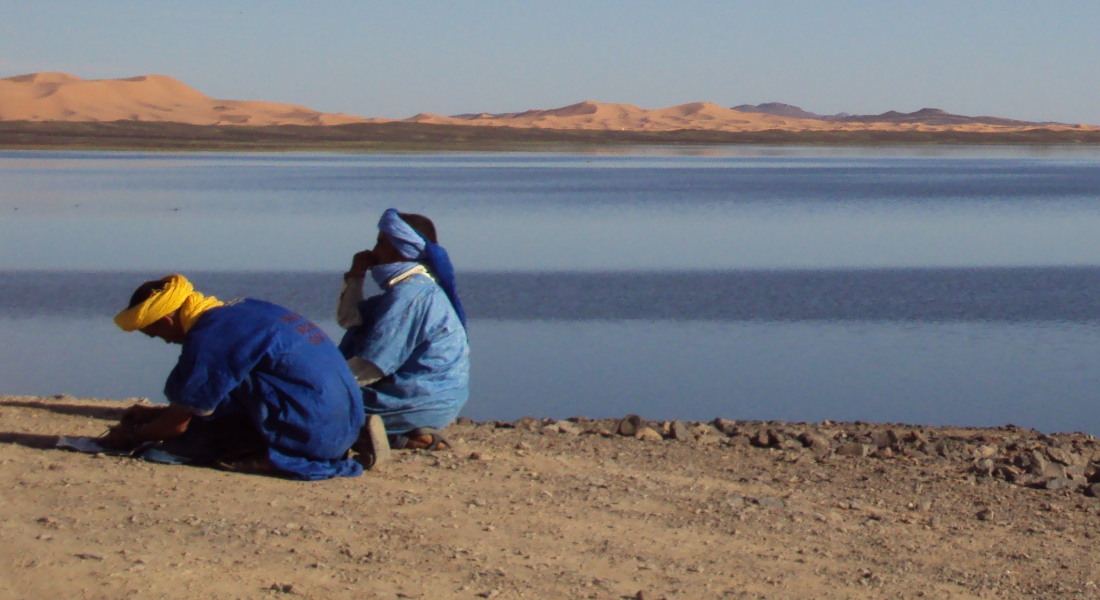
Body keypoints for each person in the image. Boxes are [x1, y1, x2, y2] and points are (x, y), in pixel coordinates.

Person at [105, 274, 373, 480]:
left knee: (167, 449)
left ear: (165, 320)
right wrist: (156, 414)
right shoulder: (247, 309)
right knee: (224, 386)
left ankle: (271, 455)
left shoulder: (210, 336)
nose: (163, 342)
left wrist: (130, 437)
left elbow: (176, 425)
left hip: (315, 438)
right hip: (346, 425)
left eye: (155, 334)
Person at [337, 209, 470, 462]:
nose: (373, 251)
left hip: (415, 399)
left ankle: (367, 431)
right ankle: (403, 437)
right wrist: (355, 275)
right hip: (434, 401)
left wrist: (325, 385)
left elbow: (374, 364)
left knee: (306, 406)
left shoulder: (410, 295)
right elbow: (349, 319)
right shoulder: (410, 289)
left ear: (400, 248)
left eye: (380, 243)